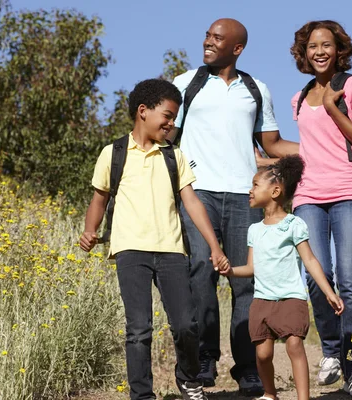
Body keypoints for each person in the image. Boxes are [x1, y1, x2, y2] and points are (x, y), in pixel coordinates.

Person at [170, 18, 299, 395]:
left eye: (217, 38)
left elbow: (272, 145)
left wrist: (319, 150)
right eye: (208, 36)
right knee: (200, 273)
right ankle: (206, 359)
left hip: (245, 196)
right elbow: (167, 136)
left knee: (246, 282)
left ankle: (247, 368)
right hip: (198, 193)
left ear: (237, 48)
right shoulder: (185, 84)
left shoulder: (256, 89)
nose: (208, 42)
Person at [79, 79, 230, 400]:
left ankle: (188, 378)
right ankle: (142, 395)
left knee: (187, 324)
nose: (172, 123)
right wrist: (90, 230)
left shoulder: (173, 155)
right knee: (138, 330)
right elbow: (99, 198)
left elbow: (191, 202)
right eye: (168, 115)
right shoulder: (114, 153)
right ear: (143, 112)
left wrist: (214, 247)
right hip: (130, 251)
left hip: (172, 252)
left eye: (175, 118)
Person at [289, 20, 352, 398]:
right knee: (317, 274)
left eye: (327, 45)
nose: (319, 51)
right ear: (304, 53)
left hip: (347, 192)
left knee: (350, 280)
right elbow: (307, 149)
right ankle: (330, 352)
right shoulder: (298, 97)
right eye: (312, 46)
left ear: (339, 49)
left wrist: (332, 107)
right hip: (307, 193)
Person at [218, 155, 344, 400]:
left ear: (275, 191)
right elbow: (251, 268)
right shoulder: (254, 230)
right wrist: (230, 271)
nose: (250, 190)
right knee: (263, 355)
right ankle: (270, 394)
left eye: (255, 185)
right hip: (262, 301)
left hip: (291, 299)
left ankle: (303, 398)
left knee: (295, 345)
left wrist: (329, 292)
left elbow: (309, 260)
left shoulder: (294, 225)